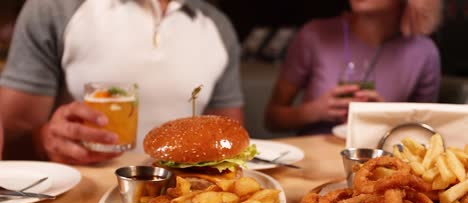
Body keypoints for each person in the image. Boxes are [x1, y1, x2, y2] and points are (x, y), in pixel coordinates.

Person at [0, 0, 243, 164]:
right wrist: (44, 141)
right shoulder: (53, 8)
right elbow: (8, 145)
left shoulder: (217, 25)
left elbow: (231, 141)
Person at [265, 0, 442, 135]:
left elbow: (426, 135)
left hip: (378, 166)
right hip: (311, 162)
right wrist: (314, 111)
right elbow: (272, 119)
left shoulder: (424, 52)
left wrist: (389, 118)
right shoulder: (314, 35)